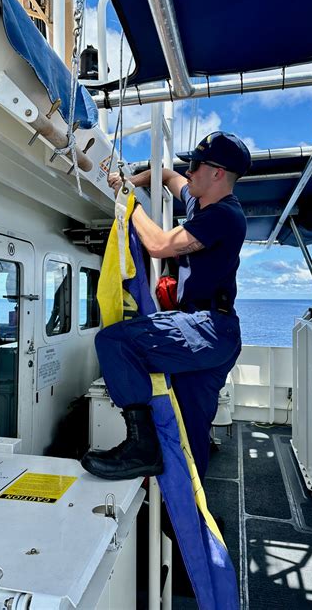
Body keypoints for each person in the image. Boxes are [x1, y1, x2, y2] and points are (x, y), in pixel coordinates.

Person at [81, 131, 250, 481]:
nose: (188, 172)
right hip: (210, 332)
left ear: (217, 173)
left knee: (114, 341)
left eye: (195, 166)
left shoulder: (225, 216)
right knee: (189, 435)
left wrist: (130, 199)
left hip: (209, 329)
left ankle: (141, 446)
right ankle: (184, 528)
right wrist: (132, 180)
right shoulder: (197, 202)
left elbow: (158, 244)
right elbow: (165, 174)